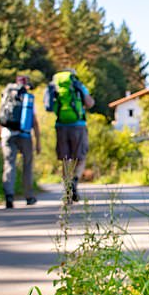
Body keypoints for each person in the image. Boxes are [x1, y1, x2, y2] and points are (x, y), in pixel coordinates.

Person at [49, 69, 95, 203]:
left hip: (60, 126)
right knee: (80, 157)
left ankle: (67, 188)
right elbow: (90, 103)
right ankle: (74, 180)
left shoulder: (56, 86)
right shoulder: (77, 85)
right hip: (78, 125)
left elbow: (50, 106)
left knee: (65, 159)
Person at [0, 75, 40, 209]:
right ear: (26, 85)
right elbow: (34, 121)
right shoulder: (27, 98)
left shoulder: (6, 96)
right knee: (27, 165)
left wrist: (1, 137)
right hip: (25, 136)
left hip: (7, 134)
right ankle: (29, 196)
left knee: (9, 164)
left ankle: (9, 196)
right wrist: (38, 141)